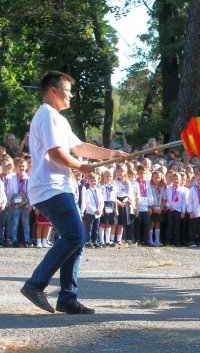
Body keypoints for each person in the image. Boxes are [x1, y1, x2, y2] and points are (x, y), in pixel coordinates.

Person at [20, 70, 126, 314]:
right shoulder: (47, 115)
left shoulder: (57, 118)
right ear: (53, 91)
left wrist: (111, 154)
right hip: (51, 187)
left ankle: (68, 297)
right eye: (67, 91)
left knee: (75, 240)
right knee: (75, 236)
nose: (71, 96)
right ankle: (36, 284)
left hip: (57, 187)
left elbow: (77, 146)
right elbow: (56, 153)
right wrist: (82, 167)